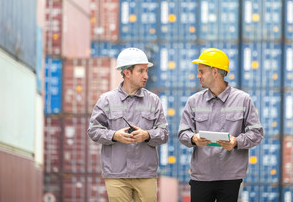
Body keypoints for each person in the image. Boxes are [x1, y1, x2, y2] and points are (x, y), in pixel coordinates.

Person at [178, 48, 264, 202]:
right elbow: (183, 133)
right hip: (201, 175)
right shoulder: (194, 101)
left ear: (215, 72)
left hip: (230, 176)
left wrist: (236, 142)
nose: (198, 76)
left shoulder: (243, 99)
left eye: (201, 71)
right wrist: (194, 138)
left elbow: (256, 133)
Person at [88, 48, 169, 202]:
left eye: (146, 70)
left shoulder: (154, 101)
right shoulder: (106, 100)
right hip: (117, 175)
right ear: (127, 73)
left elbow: (164, 134)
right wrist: (114, 135)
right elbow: (93, 131)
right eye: (141, 71)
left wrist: (147, 135)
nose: (146, 75)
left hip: (145, 174)